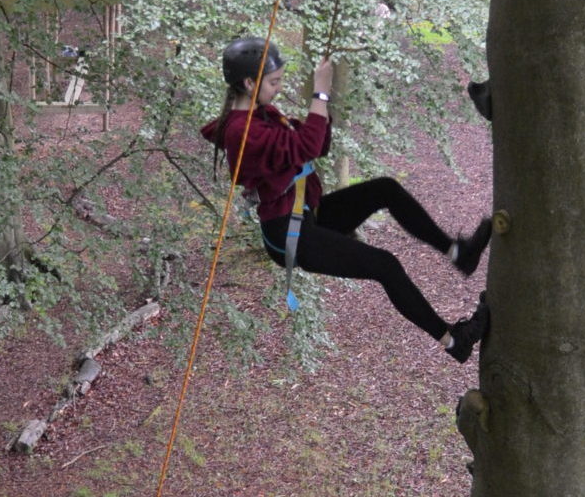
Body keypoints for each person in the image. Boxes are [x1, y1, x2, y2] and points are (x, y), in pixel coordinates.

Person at [200, 36, 491, 363]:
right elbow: (306, 147)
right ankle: (454, 341)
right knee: (386, 265)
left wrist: (319, 116)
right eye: (274, 82)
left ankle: (458, 253)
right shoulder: (241, 132)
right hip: (289, 234)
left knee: (384, 188)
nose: (278, 88)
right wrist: (320, 93)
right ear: (249, 82)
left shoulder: (262, 115)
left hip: (306, 212)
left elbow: (315, 146)